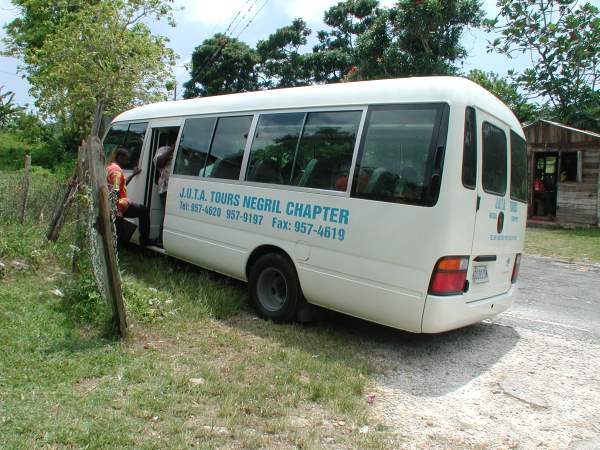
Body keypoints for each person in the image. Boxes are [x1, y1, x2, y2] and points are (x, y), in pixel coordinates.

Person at [106, 147, 150, 246]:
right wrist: (117, 210)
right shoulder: (117, 171)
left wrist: (133, 175)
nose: (128, 161)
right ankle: (144, 241)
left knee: (117, 234)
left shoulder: (110, 167)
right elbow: (116, 190)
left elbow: (121, 184)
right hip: (120, 205)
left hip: (113, 204)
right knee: (143, 211)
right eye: (126, 159)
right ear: (120, 157)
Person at [153, 131, 178, 242]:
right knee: (166, 214)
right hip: (166, 187)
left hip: (179, 189)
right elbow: (158, 163)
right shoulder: (163, 149)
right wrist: (172, 148)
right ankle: (160, 240)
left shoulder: (183, 151)